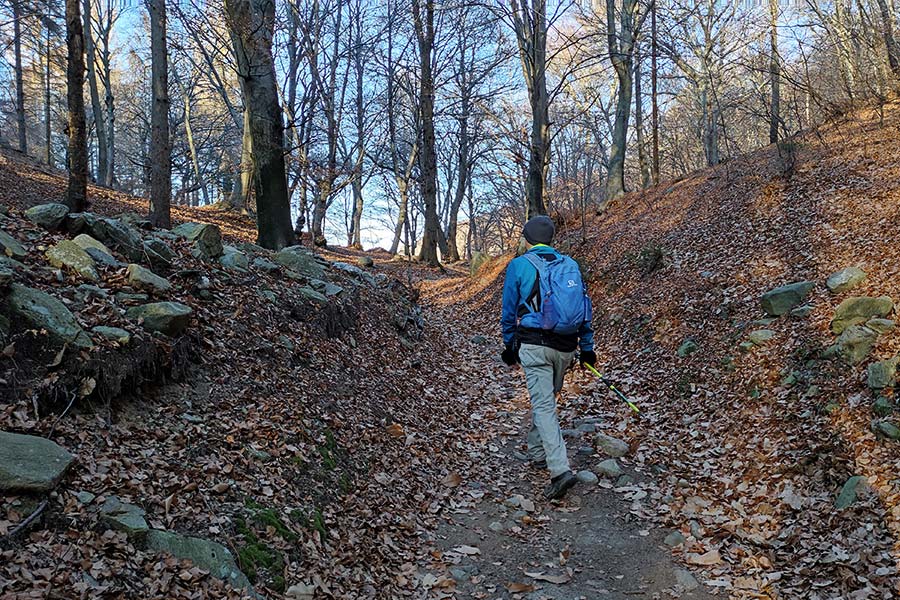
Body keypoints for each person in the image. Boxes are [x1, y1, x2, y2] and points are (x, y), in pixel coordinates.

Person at [500, 215, 596, 500]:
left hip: (535, 346)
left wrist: (509, 345)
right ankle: (538, 452)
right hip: (567, 348)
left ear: (527, 239)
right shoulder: (570, 265)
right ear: (551, 239)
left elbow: (508, 311)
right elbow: (585, 307)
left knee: (543, 406)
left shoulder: (519, 265)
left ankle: (559, 470)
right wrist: (587, 349)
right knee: (545, 401)